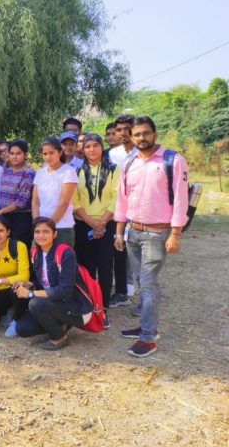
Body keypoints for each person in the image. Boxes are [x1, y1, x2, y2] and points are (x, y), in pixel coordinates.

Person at [114, 116, 188, 358]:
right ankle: (146, 326)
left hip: (157, 233)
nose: (141, 138)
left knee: (148, 284)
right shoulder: (128, 162)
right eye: (137, 134)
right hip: (132, 231)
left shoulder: (173, 161)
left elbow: (180, 199)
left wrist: (175, 234)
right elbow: (122, 199)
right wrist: (119, 231)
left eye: (146, 133)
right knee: (139, 280)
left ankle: (148, 336)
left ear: (154, 134)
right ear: (131, 137)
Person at [14, 217, 93, 350]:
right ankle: (61, 324)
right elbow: (42, 282)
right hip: (54, 304)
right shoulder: (35, 253)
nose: (41, 235)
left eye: (46, 232)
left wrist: (30, 293)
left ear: (54, 234)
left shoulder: (66, 252)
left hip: (76, 308)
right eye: (37, 232)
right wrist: (29, 284)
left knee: (35, 303)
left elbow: (65, 291)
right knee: (23, 329)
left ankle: (59, 338)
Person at [73, 134, 119, 327]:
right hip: (84, 224)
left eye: (95, 146)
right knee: (87, 267)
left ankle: (104, 308)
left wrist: (101, 223)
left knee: (105, 267)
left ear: (102, 147)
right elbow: (74, 200)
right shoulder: (76, 172)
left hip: (106, 223)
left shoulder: (114, 169)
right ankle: (91, 305)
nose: (91, 150)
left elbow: (117, 197)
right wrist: (91, 222)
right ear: (82, 149)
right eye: (88, 146)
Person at [108, 114, 137, 306]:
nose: (123, 133)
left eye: (127, 129)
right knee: (118, 250)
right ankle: (120, 291)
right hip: (116, 210)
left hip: (137, 211)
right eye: (119, 130)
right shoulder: (113, 154)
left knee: (135, 254)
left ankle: (130, 288)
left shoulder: (143, 152)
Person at [32, 137, 79, 247]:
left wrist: (49, 226)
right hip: (41, 228)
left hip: (62, 227)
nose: (48, 157)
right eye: (45, 153)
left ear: (60, 152)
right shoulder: (40, 173)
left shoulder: (68, 172)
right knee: (40, 262)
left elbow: (63, 203)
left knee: (61, 262)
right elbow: (35, 202)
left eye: (51, 153)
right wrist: (37, 224)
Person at [0, 140, 36, 246]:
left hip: (21, 219)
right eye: (12, 153)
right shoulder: (5, 171)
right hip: (5, 218)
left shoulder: (29, 173)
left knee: (20, 250)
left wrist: (0, 211)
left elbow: (21, 202)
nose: (14, 157)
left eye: (18, 153)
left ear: (25, 154)